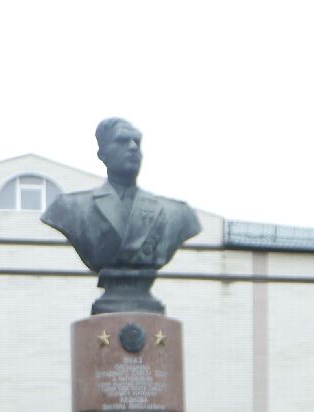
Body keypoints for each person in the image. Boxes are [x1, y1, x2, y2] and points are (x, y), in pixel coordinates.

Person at [40, 117, 202, 314]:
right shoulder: (70, 209)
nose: (133, 147)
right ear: (102, 154)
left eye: (137, 142)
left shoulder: (178, 214)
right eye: (122, 141)